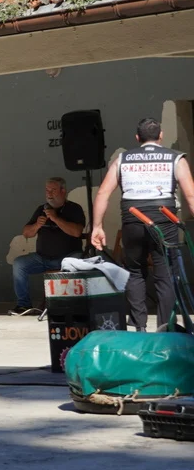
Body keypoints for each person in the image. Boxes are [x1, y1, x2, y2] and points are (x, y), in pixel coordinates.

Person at [91, 117, 194, 331]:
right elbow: (191, 196)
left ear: (137, 138)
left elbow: (103, 193)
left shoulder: (122, 159)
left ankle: (140, 327)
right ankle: (166, 329)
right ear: (161, 136)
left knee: (135, 271)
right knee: (166, 274)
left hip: (133, 219)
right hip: (164, 219)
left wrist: (97, 227)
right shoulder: (175, 158)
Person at [10, 177, 86, 315]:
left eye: (53, 190)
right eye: (47, 190)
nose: (49, 194)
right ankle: (23, 305)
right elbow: (26, 233)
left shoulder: (74, 208)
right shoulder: (41, 209)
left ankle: (68, 305)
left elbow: (76, 232)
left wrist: (55, 218)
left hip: (67, 258)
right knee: (19, 264)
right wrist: (37, 225)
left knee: (77, 261)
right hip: (42, 258)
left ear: (63, 191)